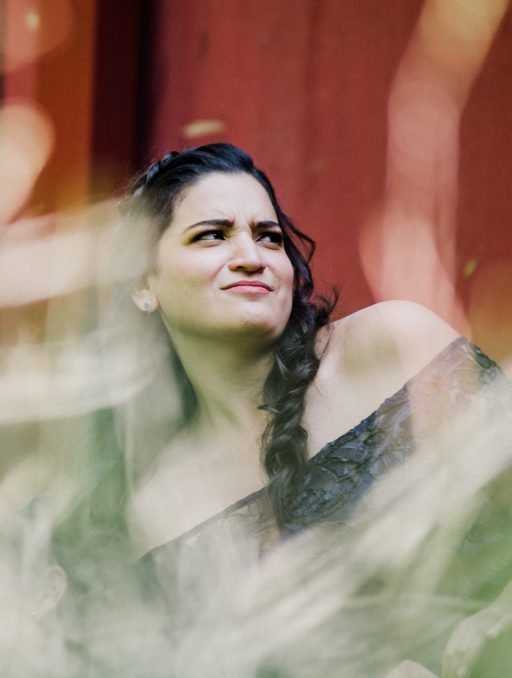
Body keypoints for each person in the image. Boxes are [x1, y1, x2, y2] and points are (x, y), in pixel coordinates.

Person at [47, 143, 512, 677]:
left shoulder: (392, 346)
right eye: (212, 235)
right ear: (143, 285)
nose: (253, 256)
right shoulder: (156, 504)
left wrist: (498, 622)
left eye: (268, 236)